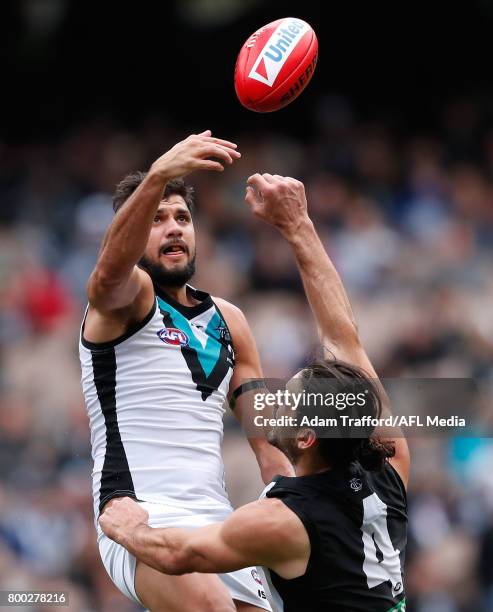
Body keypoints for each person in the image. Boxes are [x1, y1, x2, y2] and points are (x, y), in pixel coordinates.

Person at [99, 172, 411, 612]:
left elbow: (181, 554)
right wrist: (297, 224)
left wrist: (129, 530)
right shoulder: (389, 468)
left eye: (287, 400)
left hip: (160, 521)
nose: (274, 399)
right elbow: (345, 340)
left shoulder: (284, 519)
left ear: (306, 438)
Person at [79, 133, 293, 612]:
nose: (173, 228)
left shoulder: (230, 320)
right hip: (137, 515)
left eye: (182, 217)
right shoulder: (127, 301)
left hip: (218, 523)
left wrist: (294, 507)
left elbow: (266, 441)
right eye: (155, 218)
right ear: (130, 231)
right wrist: (156, 176)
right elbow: (107, 276)